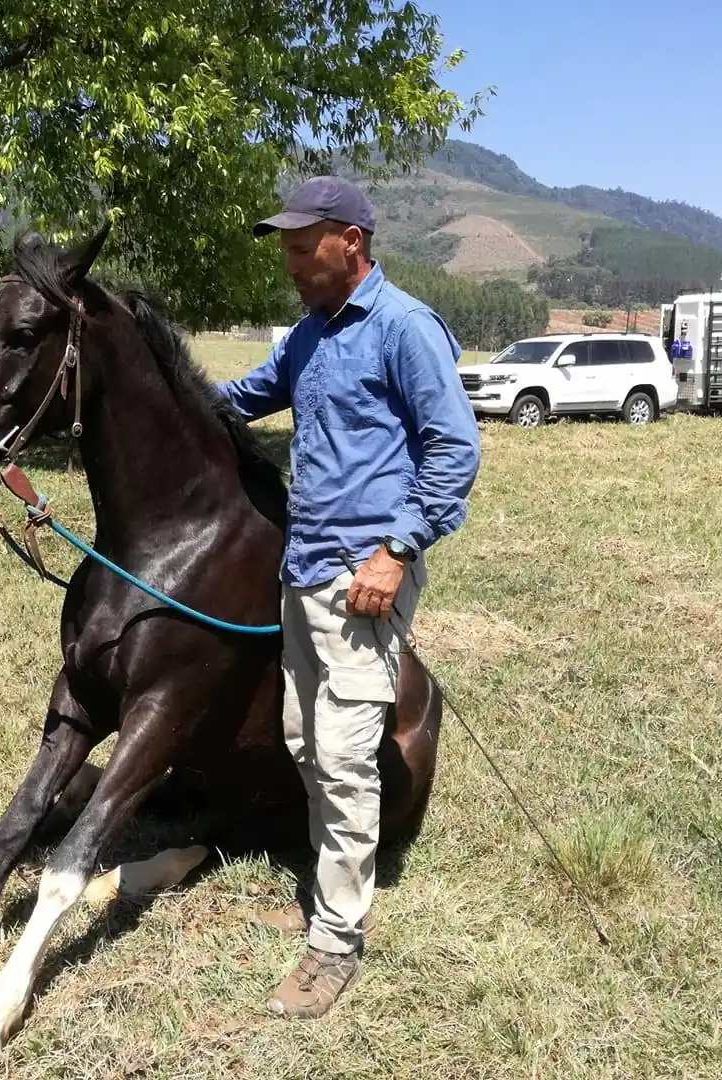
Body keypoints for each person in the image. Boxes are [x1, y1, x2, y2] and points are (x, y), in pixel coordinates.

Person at [214, 175, 481, 1019]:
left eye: (302, 247)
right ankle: (333, 865)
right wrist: (148, 396)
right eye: (287, 249)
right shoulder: (307, 336)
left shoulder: (404, 328)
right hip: (305, 575)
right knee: (303, 739)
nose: (290, 264)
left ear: (350, 243)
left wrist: (396, 551)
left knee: (340, 751)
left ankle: (337, 938)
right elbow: (244, 399)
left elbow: (454, 449)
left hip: (364, 580)